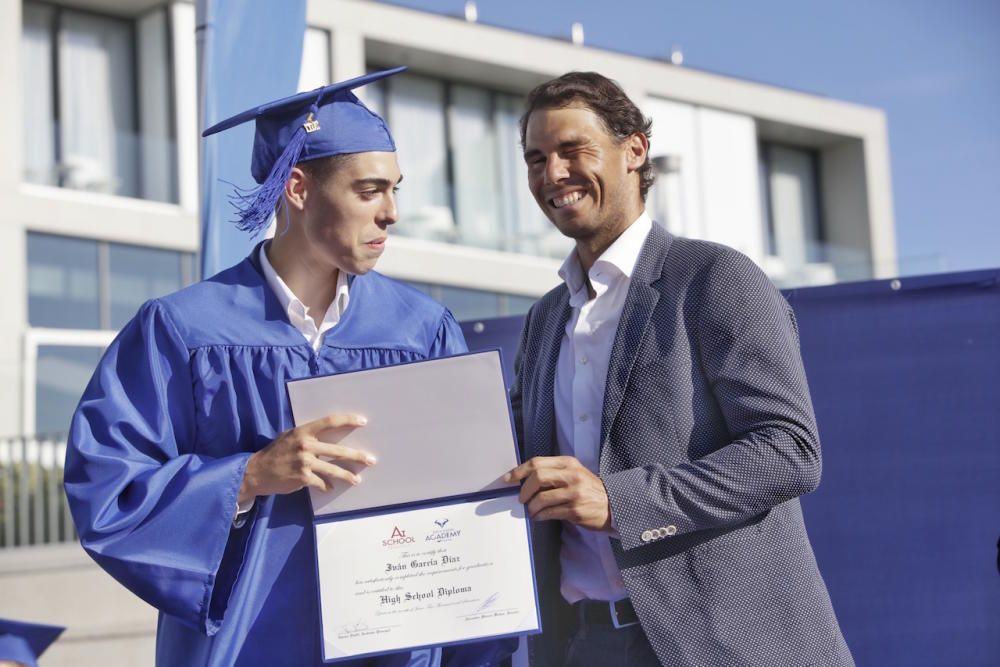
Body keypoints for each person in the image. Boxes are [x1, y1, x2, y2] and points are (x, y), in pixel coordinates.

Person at [65, 68, 510, 667]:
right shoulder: (184, 332)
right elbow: (108, 492)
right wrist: (246, 477)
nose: (392, 213)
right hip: (245, 648)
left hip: (395, 651)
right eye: (369, 190)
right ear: (298, 189)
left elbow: (469, 509)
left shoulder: (420, 329)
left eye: (395, 189)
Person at [505, 72, 854, 666]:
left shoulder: (715, 278)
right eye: (536, 158)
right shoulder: (544, 321)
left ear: (635, 149)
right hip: (583, 646)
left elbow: (790, 451)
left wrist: (621, 503)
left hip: (717, 646)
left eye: (573, 151)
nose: (552, 174)